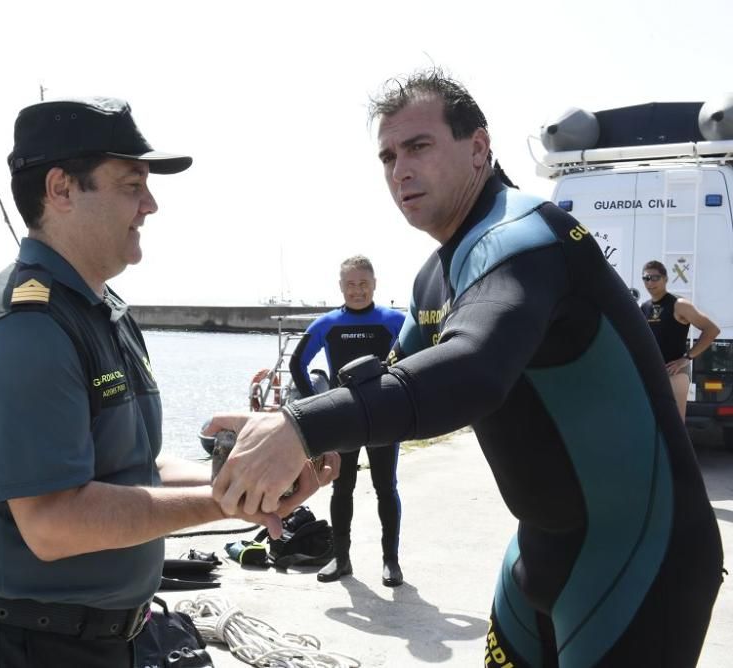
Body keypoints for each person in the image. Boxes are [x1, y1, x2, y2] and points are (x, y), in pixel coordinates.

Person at [208, 70, 723, 667]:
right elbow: (398, 379)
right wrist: (304, 440)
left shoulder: (526, 236)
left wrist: (303, 427)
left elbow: (472, 371)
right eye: (387, 155)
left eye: (419, 146)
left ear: (478, 148)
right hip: (539, 551)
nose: (399, 169)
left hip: (640, 559)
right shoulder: (437, 273)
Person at [0, 97, 337, 668]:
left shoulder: (98, 311)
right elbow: (54, 522)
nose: (150, 204)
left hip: (97, 639)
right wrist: (229, 503)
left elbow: (132, 471)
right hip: (17, 646)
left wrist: (257, 471)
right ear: (62, 190)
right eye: (131, 184)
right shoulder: (26, 330)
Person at [289, 255, 405, 586]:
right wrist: (318, 401)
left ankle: (391, 561)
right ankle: (341, 559)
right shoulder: (327, 324)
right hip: (344, 419)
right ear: (341, 287)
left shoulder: (393, 320)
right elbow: (298, 363)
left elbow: (418, 357)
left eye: (363, 283)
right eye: (350, 284)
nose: (357, 290)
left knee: (386, 488)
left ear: (374, 284)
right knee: (342, 488)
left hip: (384, 417)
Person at [640, 259, 720, 420]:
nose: (650, 282)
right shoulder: (644, 307)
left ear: (665, 279)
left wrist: (686, 358)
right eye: (646, 278)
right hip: (652, 372)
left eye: (655, 277)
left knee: (675, 424)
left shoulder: (679, 305)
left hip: (675, 372)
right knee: (652, 422)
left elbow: (712, 330)